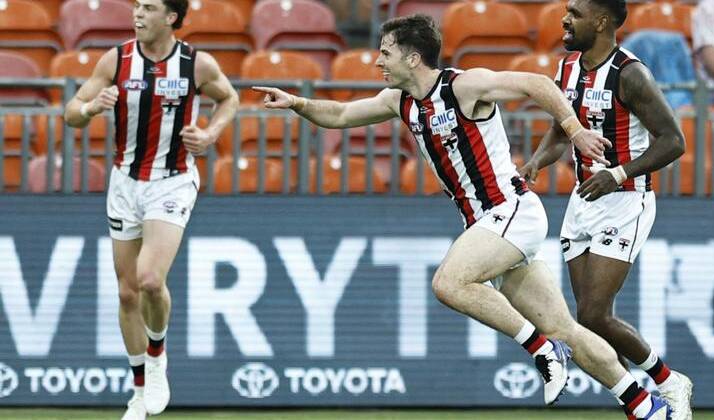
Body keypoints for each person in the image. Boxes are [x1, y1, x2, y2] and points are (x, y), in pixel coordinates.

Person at [255, 14, 672, 419]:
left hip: (510, 211)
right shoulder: (399, 101)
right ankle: (644, 405)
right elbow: (342, 115)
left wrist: (574, 130)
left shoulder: (463, 86)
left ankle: (542, 350)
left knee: (449, 283)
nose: (378, 61)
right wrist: (297, 103)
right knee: (565, 328)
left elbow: (538, 83)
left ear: (413, 58)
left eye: (385, 53)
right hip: (489, 224)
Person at [63, 1, 238, 419]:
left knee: (149, 280)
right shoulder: (116, 59)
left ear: (171, 17)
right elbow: (71, 114)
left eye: (148, 7)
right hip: (125, 183)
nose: (137, 14)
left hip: (171, 181)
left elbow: (229, 98)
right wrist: (91, 108)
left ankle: (157, 356)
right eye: (137, 6)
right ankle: (139, 391)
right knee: (127, 292)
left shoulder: (196, 64)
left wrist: (210, 134)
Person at [519, 0, 693, 418]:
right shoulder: (566, 68)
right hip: (583, 200)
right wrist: (537, 161)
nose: (565, 19)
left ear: (600, 21)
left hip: (626, 200)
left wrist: (617, 173)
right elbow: (562, 130)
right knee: (588, 321)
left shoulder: (630, 74)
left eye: (575, 12)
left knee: (594, 313)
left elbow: (674, 142)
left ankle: (668, 382)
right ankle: (643, 401)